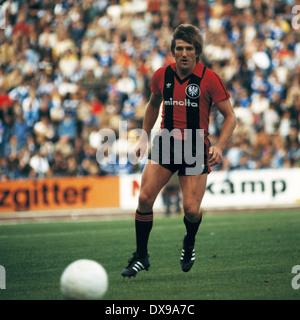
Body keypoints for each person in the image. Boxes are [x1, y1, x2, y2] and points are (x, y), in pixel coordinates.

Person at [121, 24, 237, 277]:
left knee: (192, 211)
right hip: (165, 143)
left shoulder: (210, 79)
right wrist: (143, 136)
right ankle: (141, 256)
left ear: (197, 52)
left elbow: (230, 117)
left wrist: (219, 145)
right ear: (173, 51)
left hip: (196, 147)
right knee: (144, 199)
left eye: (189, 49)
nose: (183, 53)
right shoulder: (161, 75)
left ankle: (189, 242)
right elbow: (153, 105)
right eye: (179, 49)